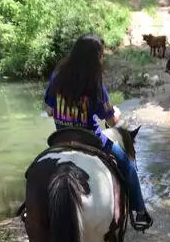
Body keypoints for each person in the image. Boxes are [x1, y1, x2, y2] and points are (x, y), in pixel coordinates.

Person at [44, 34, 153, 231]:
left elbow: (49, 110)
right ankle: (140, 211)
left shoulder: (57, 76)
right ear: (94, 58)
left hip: (60, 138)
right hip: (90, 139)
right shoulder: (95, 84)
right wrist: (117, 112)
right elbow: (111, 121)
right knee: (128, 165)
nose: (103, 60)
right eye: (101, 55)